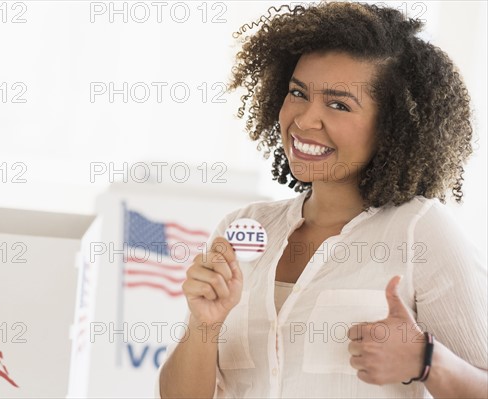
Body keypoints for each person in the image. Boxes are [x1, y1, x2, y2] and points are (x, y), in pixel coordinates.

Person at [156, 2, 487, 398]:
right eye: (298, 93)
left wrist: (426, 360)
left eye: (338, 104)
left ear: (392, 125)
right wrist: (204, 324)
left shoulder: (420, 230)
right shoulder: (243, 229)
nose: (305, 119)